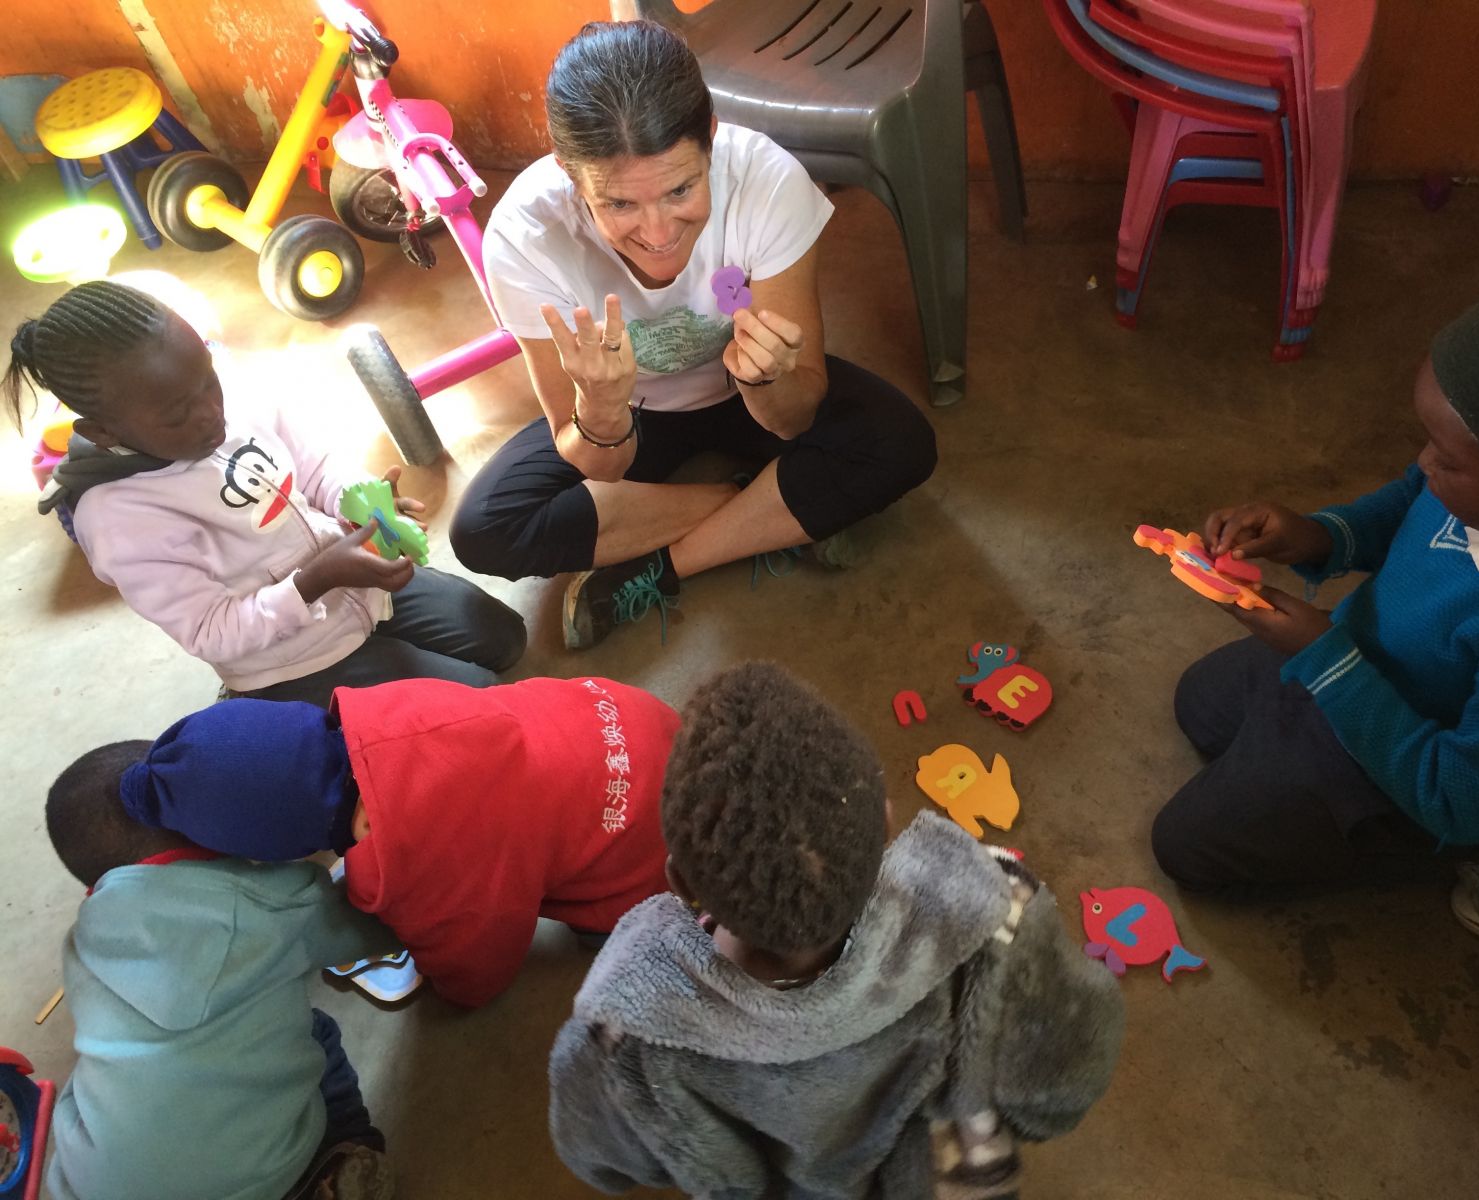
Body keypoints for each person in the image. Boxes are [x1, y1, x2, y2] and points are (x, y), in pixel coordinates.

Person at [548, 662, 1124, 1197]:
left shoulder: (628, 1026)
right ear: (887, 823)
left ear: (678, 880)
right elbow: (1066, 1076)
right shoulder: (993, 913)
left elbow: (598, 1150)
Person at [451, 21, 938, 649]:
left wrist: (764, 380)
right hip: (634, 415)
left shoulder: (766, 180)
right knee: (486, 528)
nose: (657, 233)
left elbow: (793, 419)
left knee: (902, 443)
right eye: (620, 205)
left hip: (746, 400)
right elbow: (598, 459)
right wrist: (601, 413)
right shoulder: (525, 236)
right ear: (571, 176)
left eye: (681, 189)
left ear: (710, 138)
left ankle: (663, 565)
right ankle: (765, 506)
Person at [1152, 261, 1479, 940]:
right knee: (1199, 705)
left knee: (1184, 847)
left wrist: (1324, 659)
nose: (1423, 464)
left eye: (1448, 460)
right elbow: (1404, 503)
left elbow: (1452, 793)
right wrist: (1312, 535)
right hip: (1358, 662)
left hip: (1417, 767)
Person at [5, 280, 527, 707]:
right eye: (178, 415)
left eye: (208, 381)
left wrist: (364, 504)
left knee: (506, 639)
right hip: (288, 656)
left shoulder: (236, 391)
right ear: (105, 433)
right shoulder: (120, 520)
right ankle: (260, 703)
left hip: (358, 588)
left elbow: (311, 462)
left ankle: (376, 647)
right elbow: (211, 631)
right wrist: (316, 580)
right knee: (483, 699)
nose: (212, 412)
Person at [117, 674, 679, 1008]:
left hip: (656, 833)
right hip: (630, 717)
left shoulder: (420, 860)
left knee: (610, 926)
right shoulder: (388, 709)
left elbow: (482, 959)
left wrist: (455, 985)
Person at [43, 741, 399, 1200]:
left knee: (96, 1081)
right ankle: (346, 1149)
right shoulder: (278, 901)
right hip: (261, 1174)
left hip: (94, 1186)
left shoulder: (82, 941)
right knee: (318, 1032)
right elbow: (378, 927)